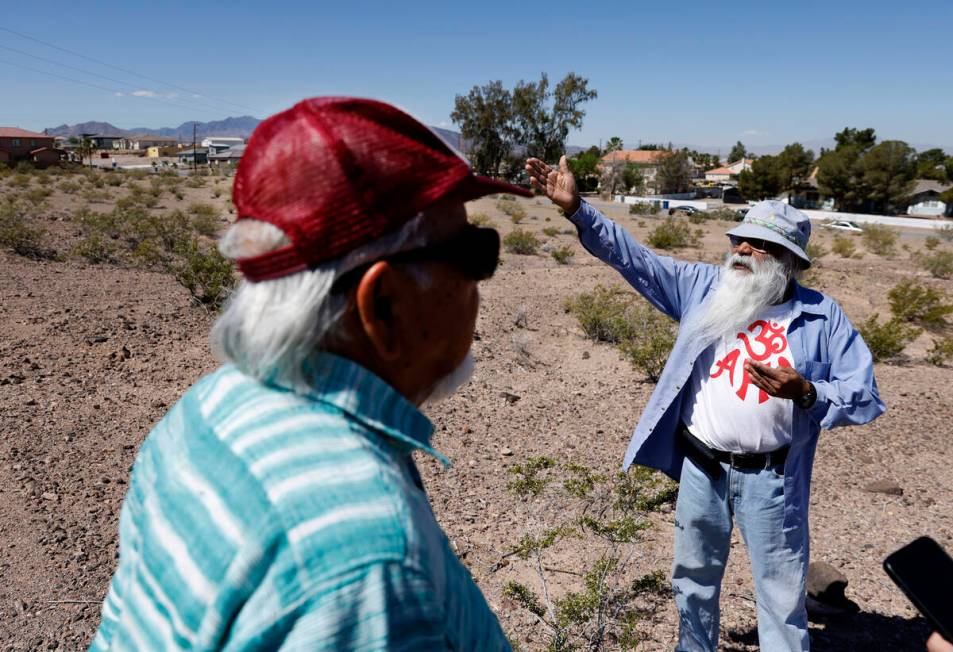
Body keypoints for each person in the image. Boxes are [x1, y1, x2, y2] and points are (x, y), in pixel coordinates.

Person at [90, 97, 531, 651]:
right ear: (385, 306)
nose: (481, 284)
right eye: (474, 254)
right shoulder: (371, 561)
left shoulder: (206, 409)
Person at [526, 156, 885, 652]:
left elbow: (864, 394)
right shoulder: (703, 288)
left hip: (774, 480)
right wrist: (578, 210)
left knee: (781, 599)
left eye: (759, 244)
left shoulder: (821, 317)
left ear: (787, 260)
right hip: (702, 468)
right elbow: (636, 259)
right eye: (739, 238)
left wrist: (805, 392)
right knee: (692, 584)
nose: (742, 248)